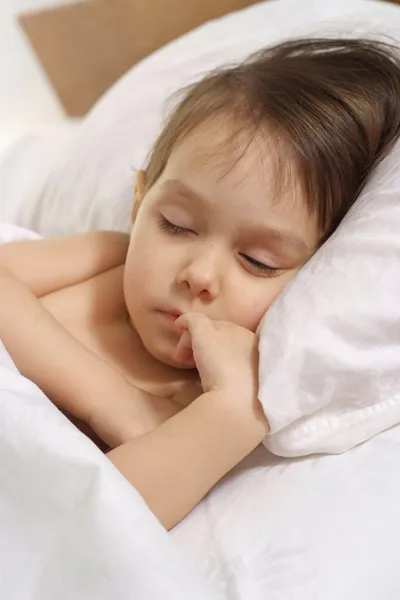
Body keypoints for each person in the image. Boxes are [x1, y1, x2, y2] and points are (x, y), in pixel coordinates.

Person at [1, 38, 400, 531]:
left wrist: (232, 412)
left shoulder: (206, 400)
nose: (200, 274)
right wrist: (108, 398)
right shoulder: (107, 257)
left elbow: (84, 529)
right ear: (139, 202)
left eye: (258, 261)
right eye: (176, 224)